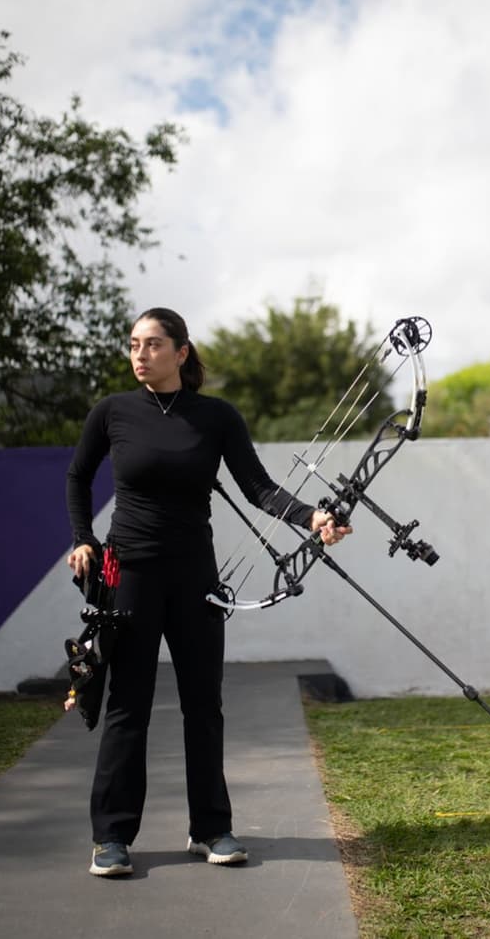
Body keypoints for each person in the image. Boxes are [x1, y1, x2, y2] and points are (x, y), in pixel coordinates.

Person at [66, 307, 350, 877]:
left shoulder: (215, 417)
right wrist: (83, 539)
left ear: (181, 352)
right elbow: (77, 477)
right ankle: (112, 837)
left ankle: (211, 829)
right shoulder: (112, 412)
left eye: (151, 344)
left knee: (204, 704)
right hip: (131, 575)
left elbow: (260, 490)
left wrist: (315, 516)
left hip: (196, 576)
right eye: (133, 345)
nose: (139, 354)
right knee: (129, 705)